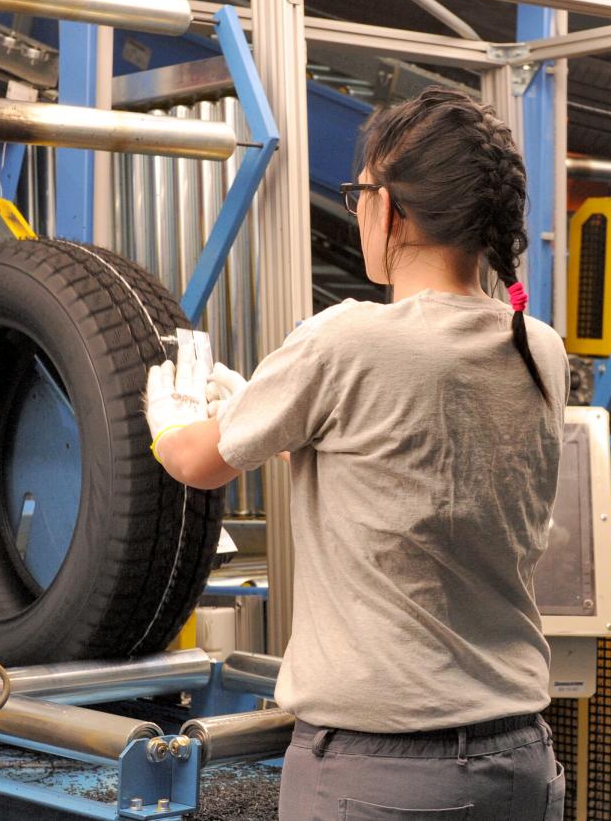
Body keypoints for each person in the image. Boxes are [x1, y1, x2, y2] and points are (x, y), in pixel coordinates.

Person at [143, 87, 569, 821]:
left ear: (393, 209)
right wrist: (274, 416)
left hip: (383, 775)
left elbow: (192, 462)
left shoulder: (346, 340)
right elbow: (395, 468)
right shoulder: (538, 347)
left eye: (360, 191)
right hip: (519, 760)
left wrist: (168, 414)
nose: (357, 209)